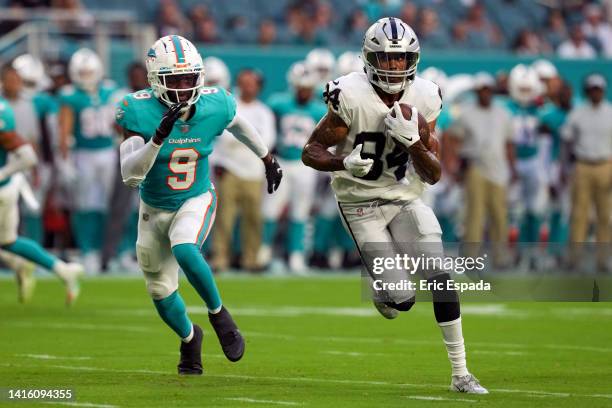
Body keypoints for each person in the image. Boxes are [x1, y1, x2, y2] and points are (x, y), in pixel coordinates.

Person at [301, 17, 488, 394]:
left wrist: (415, 144)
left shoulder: (425, 96)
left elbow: (433, 174)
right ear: (370, 58)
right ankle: (378, 281)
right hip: (359, 203)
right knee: (401, 301)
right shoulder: (350, 95)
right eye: (387, 58)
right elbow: (310, 152)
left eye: (402, 59)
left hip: (404, 197)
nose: (395, 66)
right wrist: (343, 162)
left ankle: (461, 373)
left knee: (440, 275)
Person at [116, 35, 282, 375]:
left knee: (185, 248)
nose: (182, 87)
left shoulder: (215, 103)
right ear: (155, 80)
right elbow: (129, 174)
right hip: (153, 206)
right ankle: (191, 338)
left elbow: (239, 124)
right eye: (174, 80)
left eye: (189, 78)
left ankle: (219, 314)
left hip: (195, 196)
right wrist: (156, 140)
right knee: (160, 291)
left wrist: (266, 157)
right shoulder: (137, 109)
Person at [0, 93, 83, 304]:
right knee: (8, 241)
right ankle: (62, 270)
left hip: (2, 190)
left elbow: (28, 156)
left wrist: (2, 173)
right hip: (7, 188)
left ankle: (21, 265)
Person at [259, 61, 326, 273]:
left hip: (304, 165)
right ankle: (265, 250)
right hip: (281, 161)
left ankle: (296, 254)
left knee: (301, 211)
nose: (303, 92)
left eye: (307, 88)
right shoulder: (278, 104)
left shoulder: (319, 110)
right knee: (270, 209)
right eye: (300, 87)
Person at [58, 48, 118, 273]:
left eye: (88, 72)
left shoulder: (110, 90)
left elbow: (119, 123)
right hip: (83, 154)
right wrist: (64, 161)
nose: (85, 77)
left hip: (107, 152)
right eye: (81, 73)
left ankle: (109, 251)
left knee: (108, 203)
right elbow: (64, 130)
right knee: (84, 203)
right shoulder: (69, 95)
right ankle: (87, 250)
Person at [212, 68, 276, 271]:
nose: (248, 86)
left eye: (252, 83)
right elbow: (220, 136)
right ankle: (220, 258)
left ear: (258, 87)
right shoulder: (230, 106)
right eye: (244, 82)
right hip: (229, 169)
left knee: (253, 219)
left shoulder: (263, 112)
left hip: (254, 172)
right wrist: (248, 140)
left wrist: (239, 140)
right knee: (224, 218)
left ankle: (251, 259)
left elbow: (268, 140)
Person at [448, 73, 515, 262]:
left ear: (492, 91)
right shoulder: (467, 113)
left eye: (488, 89)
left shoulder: (503, 113)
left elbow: (509, 144)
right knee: (474, 215)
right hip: (475, 167)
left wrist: (513, 168)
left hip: (498, 168)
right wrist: (454, 164)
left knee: (499, 215)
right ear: (477, 92)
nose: (485, 93)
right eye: (482, 90)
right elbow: (452, 138)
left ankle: (500, 257)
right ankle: (471, 258)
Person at [562, 74, 612, 271]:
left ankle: (603, 259)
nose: (596, 93)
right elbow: (567, 140)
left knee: (605, 215)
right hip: (582, 164)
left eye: (599, 89)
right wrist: (565, 166)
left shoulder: (610, 112)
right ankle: (575, 259)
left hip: (605, 164)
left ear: (603, 91)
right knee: (579, 215)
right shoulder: (578, 112)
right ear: (587, 91)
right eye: (593, 89)